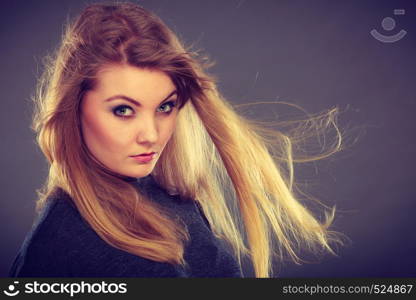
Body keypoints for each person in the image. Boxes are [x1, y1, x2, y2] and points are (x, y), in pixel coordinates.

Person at [9, 2, 345, 278]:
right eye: (124, 110)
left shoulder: (171, 198)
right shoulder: (56, 246)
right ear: (74, 109)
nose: (152, 135)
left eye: (165, 107)